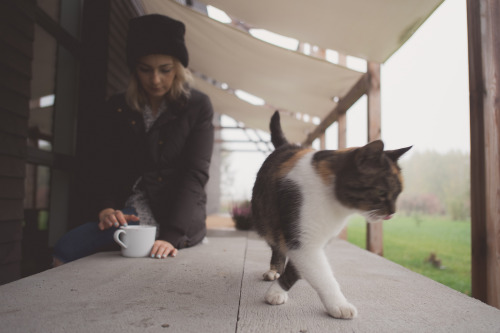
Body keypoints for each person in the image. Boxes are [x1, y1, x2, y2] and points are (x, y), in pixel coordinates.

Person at [53, 14, 214, 265]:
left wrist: (171, 236)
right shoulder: (118, 107)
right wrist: (106, 208)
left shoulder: (197, 106)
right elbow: (103, 163)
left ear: (179, 68)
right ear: (133, 68)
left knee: (70, 248)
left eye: (165, 70)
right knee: (65, 248)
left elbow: (194, 173)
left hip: (176, 218)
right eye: (145, 69)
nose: (155, 79)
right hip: (127, 214)